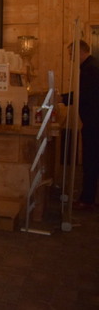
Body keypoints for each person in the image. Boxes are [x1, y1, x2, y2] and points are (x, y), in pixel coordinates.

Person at [62, 40, 99, 210]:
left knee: (90, 161)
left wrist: (62, 99)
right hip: (92, 122)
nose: (70, 58)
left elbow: (84, 95)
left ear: (81, 52)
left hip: (94, 123)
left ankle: (87, 199)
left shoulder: (90, 69)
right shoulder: (91, 66)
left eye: (72, 54)